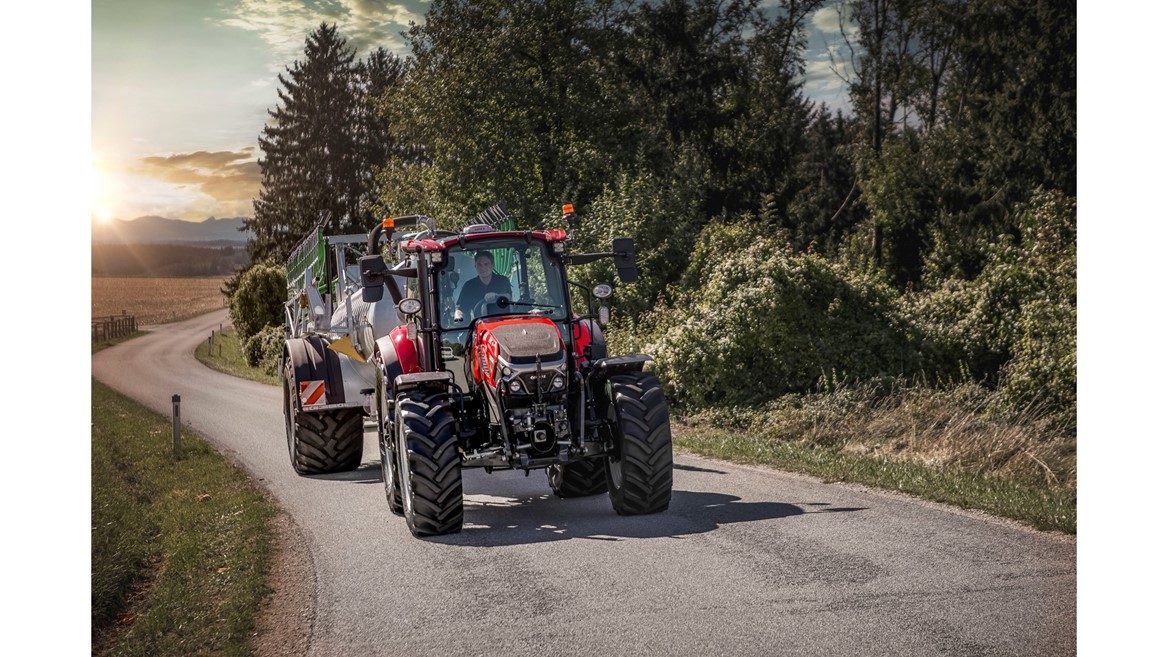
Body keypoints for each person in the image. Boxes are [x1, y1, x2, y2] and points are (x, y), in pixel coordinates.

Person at [454, 251, 513, 322]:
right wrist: (458, 317)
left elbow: (508, 297)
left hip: (504, 322)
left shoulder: (503, 280)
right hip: (480, 326)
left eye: (486, 264)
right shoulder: (469, 286)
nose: (483, 268)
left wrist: (496, 296)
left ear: (492, 265)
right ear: (475, 266)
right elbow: (461, 308)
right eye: (479, 265)